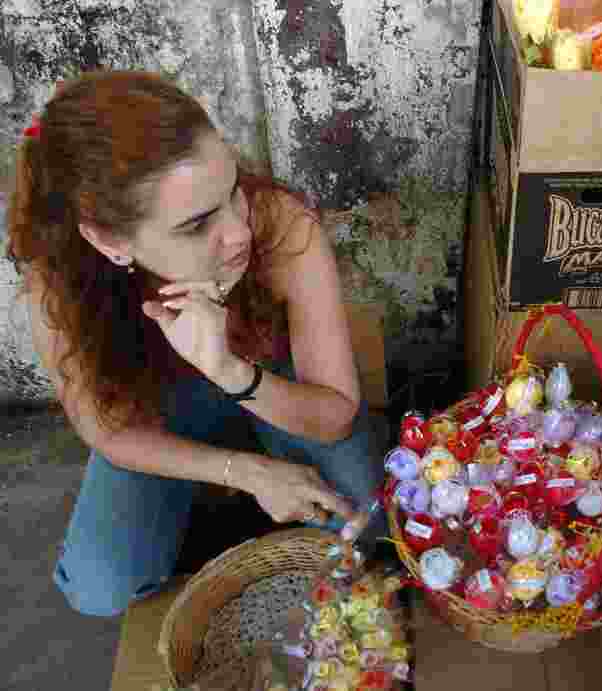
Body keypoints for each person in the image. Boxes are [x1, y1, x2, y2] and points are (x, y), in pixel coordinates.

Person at [5, 71, 386, 617]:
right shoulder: (60, 277)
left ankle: (242, 479)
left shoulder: (281, 224)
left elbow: (335, 414)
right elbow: (104, 430)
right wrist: (245, 472)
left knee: (363, 527)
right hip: (158, 405)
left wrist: (231, 369)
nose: (239, 233)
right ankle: (224, 485)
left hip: (270, 382)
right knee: (98, 586)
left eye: (232, 191)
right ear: (110, 241)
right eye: (196, 224)